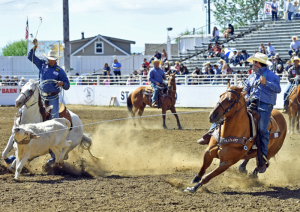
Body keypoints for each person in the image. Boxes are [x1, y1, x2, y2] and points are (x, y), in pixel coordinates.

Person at [199, 53, 281, 173]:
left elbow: (278, 89)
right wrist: (243, 95)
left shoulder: (271, 75)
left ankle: (262, 157)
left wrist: (266, 83)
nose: (252, 65)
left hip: (264, 106)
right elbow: (246, 89)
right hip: (250, 102)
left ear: (259, 63)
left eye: (254, 63)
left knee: (263, 129)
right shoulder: (252, 76)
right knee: (227, 112)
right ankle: (211, 133)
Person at [28, 38, 69, 119]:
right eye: (50, 60)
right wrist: (35, 47)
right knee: (33, 114)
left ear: (56, 60)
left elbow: (67, 85)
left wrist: (63, 83)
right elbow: (30, 57)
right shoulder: (42, 64)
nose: (51, 61)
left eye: (53, 60)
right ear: (47, 58)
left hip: (53, 97)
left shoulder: (60, 71)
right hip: (41, 96)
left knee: (54, 117)